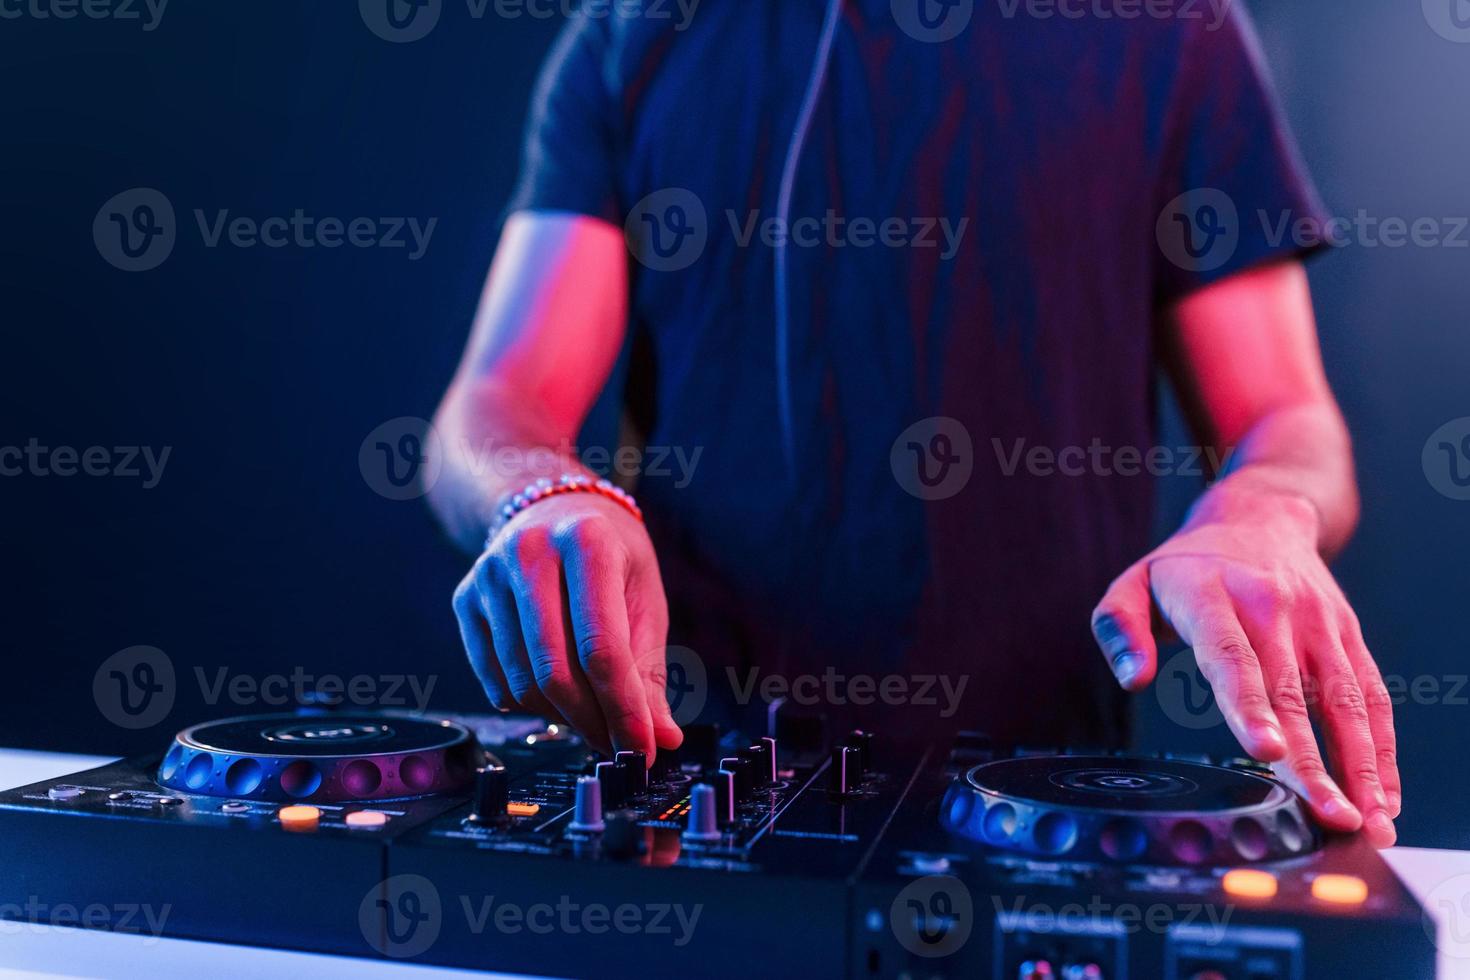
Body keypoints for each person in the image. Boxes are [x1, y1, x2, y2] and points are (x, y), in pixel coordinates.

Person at [428, 0, 1399, 848]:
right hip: (687, 795)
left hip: (1041, 809)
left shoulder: (1171, 27)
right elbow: (495, 403)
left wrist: (1265, 508)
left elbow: (1286, 416)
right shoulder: (635, 29)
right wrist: (540, 492)